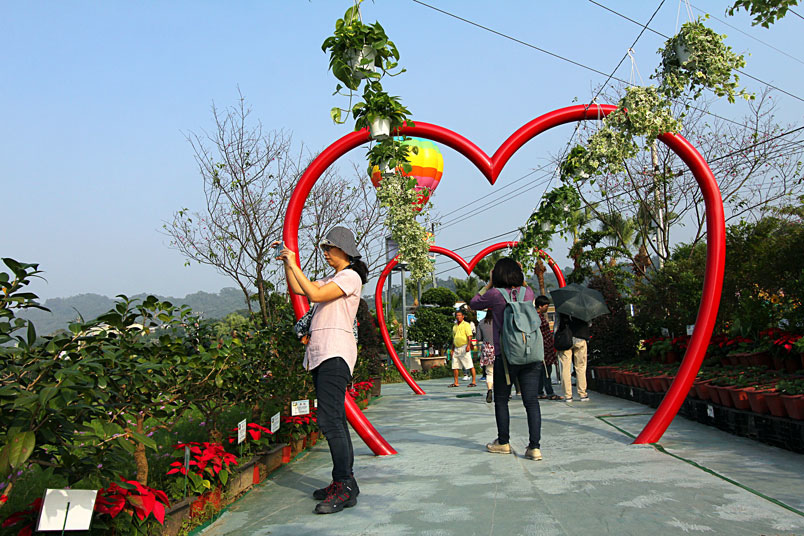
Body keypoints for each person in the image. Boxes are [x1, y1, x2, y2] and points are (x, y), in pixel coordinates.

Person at [277, 226, 368, 514]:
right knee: (335, 420)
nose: (326, 253)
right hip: (322, 353)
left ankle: (344, 485)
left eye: (329, 248)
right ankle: (345, 483)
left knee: (330, 421)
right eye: (324, 249)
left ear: (344, 249)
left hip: (335, 353)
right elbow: (299, 288)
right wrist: (288, 263)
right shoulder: (333, 278)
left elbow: (314, 295)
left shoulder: (350, 277)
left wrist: (294, 263)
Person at [469, 258, 543, 461]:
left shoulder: (494, 294)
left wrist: (489, 284)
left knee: (502, 400)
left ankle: (503, 442)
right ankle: (534, 447)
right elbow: (526, 288)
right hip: (531, 354)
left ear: (497, 275)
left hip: (505, 356)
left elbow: (474, 303)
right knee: (531, 402)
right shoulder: (528, 292)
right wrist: (521, 275)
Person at [555, 313, 591, 402]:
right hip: (581, 337)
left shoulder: (561, 307)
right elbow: (589, 323)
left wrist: (555, 337)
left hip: (565, 339)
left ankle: (568, 395)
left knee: (565, 368)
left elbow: (557, 323)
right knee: (581, 367)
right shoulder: (583, 307)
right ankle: (582, 394)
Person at [535, 296, 561, 400]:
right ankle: (549, 392)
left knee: (542, 371)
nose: (547, 308)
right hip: (544, 348)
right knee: (546, 371)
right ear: (540, 306)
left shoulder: (539, 316)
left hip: (546, 347)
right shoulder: (537, 318)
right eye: (546, 306)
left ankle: (539, 391)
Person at [449, 310, 476, 387]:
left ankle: (473, 381)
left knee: (469, 364)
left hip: (464, 346)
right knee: (455, 366)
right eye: (457, 315)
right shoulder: (454, 326)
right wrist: (452, 349)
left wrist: (468, 345)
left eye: (459, 315)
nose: (458, 317)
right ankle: (456, 382)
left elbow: (469, 336)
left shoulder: (466, 324)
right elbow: (454, 338)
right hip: (456, 347)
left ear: (463, 316)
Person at [476, 312, 495, 403]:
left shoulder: (481, 322)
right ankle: (501, 392)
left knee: (489, 372)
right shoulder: (499, 321)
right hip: (498, 348)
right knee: (500, 372)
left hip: (487, 349)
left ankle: (489, 390)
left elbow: (478, 337)